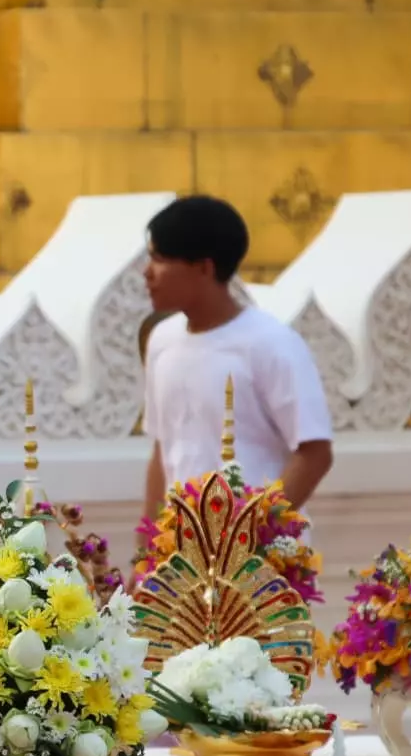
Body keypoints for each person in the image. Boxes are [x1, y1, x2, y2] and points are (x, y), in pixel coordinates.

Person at [140, 195, 333, 537]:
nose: (148, 273)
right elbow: (162, 449)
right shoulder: (161, 341)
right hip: (181, 552)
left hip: (260, 560)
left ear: (204, 267)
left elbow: (314, 453)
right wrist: (148, 546)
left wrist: (253, 534)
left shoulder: (271, 343)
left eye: (160, 259)